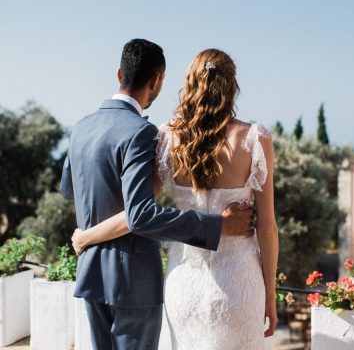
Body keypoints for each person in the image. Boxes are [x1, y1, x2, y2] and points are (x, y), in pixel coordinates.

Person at [61, 40, 255, 350]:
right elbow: (140, 215)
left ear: (119, 73)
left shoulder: (81, 128)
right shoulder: (141, 132)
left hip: (91, 274)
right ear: (157, 80)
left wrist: (86, 236)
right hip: (132, 281)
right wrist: (216, 225)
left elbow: (69, 190)